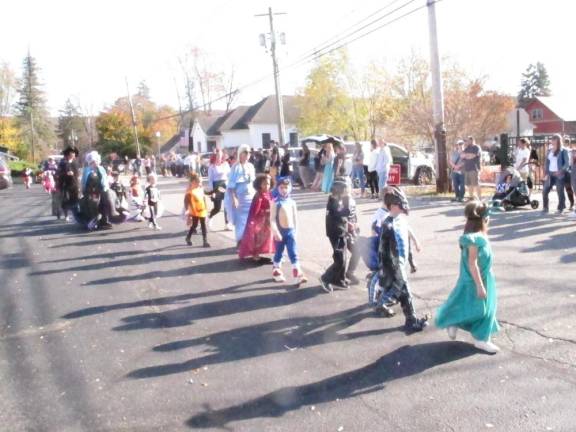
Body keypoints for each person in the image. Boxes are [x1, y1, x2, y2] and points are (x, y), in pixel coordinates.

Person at [435, 201, 500, 354]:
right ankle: (481, 340)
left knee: (468, 305)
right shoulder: (476, 239)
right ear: (484, 219)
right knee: (484, 310)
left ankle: (454, 322)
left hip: (477, 278)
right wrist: (480, 285)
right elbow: (473, 263)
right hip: (477, 279)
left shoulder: (475, 236)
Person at [373, 188, 428, 332]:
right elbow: (383, 250)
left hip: (400, 264)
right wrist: (387, 269)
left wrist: (411, 257)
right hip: (393, 265)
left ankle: (383, 305)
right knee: (405, 292)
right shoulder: (388, 225)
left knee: (400, 293)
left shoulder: (401, 220)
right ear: (393, 206)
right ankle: (411, 320)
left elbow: (405, 239)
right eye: (400, 204)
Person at [270, 177, 307, 284]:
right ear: (277, 188)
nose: (284, 190)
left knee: (293, 252)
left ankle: (298, 273)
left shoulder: (292, 202)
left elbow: (295, 219)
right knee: (279, 252)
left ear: (290, 188)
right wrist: (275, 231)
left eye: (286, 187)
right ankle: (276, 270)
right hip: (280, 233)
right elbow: (272, 219)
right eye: (281, 187)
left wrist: (296, 232)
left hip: (290, 232)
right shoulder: (275, 202)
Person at [319, 179, 352, 292]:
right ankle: (325, 278)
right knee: (339, 259)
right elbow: (345, 212)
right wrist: (347, 199)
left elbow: (343, 218)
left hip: (341, 232)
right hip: (336, 233)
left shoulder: (336, 200)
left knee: (343, 257)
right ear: (339, 190)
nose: (347, 191)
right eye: (345, 190)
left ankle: (339, 279)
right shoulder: (333, 201)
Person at [238, 174, 275, 263]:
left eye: (268, 184)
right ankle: (255, 254)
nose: (267, 186)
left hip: (268, 221)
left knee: (268, 238)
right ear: (259, 185)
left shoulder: (269, 193)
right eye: (264, 184)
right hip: (260, 221)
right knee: (258, 238)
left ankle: (271, 253)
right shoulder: (259, 196)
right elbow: (255, 210)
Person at [226, 144, 256, 245]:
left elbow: (253, 183)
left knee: (250, 219)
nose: (248, 154)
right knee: (240, 221)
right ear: (241, 153)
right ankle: (240, 241)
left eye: (249, 152)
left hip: (250, 196)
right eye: (246, 152)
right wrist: (234, 198)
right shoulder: (235, 167)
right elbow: (231, 185)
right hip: (240, 197)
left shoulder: (251, 166)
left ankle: (249, 241)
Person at [542, 134, 570, 214]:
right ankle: (545, 207)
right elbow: (547, 162)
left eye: (554, 139)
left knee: (560, 191)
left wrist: (560, 171)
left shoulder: (563, 150)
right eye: (552, 139)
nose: (552, 141)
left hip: (559, 174)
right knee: (545, 190)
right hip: (550, 174)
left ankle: (561, 208)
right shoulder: (549, 150)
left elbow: (567, 164)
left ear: (558, 141)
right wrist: (546, 173)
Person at [207, 149, 232, 231]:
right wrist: (211, 191)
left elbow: (229, 176)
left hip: (225, 185)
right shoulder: (212, 166)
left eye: (221, 156)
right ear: (215, 156)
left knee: (226, 206)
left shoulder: (226, 164)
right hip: (216, 187)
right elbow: (210, 180)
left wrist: (231, 186)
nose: (219, 157)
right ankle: (209, 217)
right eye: (217, 156)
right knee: (217, 208)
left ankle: (227, 224)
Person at [184, 173, 210, 247]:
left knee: (203, 224)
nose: (200, 184)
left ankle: (205, 241)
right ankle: (188, 237)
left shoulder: (200, 189)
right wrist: (187, 211)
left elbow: (203, 198)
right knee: (194, 225)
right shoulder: (190, 192)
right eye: (198, 182)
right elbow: (186, 201)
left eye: (200, 182)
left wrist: (206, 208)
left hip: (202, 210)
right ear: (193, 182)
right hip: (194, 210)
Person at [57, 146, 80, 221]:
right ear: (68, 154)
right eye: (71, 153)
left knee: (75, 200)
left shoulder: (75, 163)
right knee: (65, 200)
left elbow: (77, 173)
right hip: (65, 185)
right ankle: (66, 215)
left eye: (74, 153)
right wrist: (66, 173)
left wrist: (78, 178)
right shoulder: (63, 163)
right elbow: (58, 173)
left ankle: (75, 215)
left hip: (74, 184)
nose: (73, 154)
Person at [460, 136, 482, 200]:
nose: (466, 142)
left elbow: (473, 156)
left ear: (472, 140)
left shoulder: (476, 147)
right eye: (466, 141)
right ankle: (471, 198)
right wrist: (468, 155)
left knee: (476, 184)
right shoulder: (467, 148)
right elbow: (462, 156)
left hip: (474, 168)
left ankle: (479, 198)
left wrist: (467, 155)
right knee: (469, 184)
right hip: (467, 168)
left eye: (467, 140)